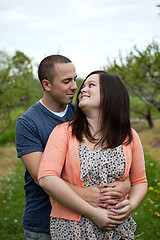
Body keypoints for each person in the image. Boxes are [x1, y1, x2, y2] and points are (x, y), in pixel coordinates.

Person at [15, 56, 130, 240]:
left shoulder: (81, 112)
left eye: (75, 79)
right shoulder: (28, 123)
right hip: (43, 221)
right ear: (47, 84)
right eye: (66, 81)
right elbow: (40, 177)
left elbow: (108, 156)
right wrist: (88, 195)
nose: (75, 87)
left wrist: (125, 183)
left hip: (82, 222)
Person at [38, 70, 148, 240]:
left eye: (91, 85)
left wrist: (131, 205)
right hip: (72, 228)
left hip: (117, 227)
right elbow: (47, 178)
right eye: (83, 86)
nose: (82, 89)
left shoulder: (129, 136)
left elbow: (140, 182)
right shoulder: (64, 132)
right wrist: (93, 213)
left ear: (111, 94)